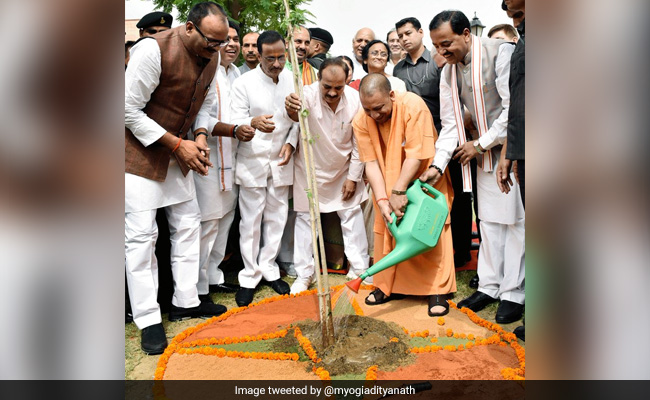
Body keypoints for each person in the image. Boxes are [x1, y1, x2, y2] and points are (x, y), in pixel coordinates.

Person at [125, 2, 231, 355]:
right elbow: (125, 109)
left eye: (220, 43)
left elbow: (205, 105)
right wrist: (176, 145)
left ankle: (186, 300)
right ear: (189, 28)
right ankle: (148, 318)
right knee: (142, 239)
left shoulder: (211, 55)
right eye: (211, 41)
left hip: (181, 150)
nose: (215, 49)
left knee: (188, 225)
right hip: (138, 156)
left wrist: (199, 137)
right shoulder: (150, 51)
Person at [423, 10, 524, 324]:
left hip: (511, 152)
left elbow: (514, 109)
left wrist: (480, 144)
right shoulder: (448, 72)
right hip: (481, 155)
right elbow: (451, 124)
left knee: (516, 223)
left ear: (466, 33)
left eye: (446, 43)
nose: (442, 52)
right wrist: (437, 166)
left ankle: (514, 292)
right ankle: (490, 285)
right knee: (490, 222)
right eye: (437, 46)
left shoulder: (501, 52)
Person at [353, 74, 456, 317]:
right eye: (368, 110)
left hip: (423, 180)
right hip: (388, 186)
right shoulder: (361, 120)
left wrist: (399, 191)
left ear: (391, 95)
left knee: (426, 229)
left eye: (379, 108)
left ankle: (436, 289)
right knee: (389, 228)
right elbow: (370, 164)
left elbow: (416, 155)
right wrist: (382, 200)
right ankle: (388, 285)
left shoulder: (413, 105)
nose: (374, 115)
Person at [393, 17, 474, 270]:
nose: (404, 39)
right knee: (422, 195)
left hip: (448, 138)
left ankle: (461, 251)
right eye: (400, 35)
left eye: (408, 33)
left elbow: (455, 105)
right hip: (416, 145)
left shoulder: (440, 61)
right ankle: (427, 249)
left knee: (459, 197)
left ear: (420, 33)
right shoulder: (398, 70)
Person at [284, 57, 369, 294]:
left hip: (344, 169)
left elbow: (358, 143)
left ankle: (360, 270)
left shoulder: (355, 100)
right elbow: (294, 118)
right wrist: (290, 108)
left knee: (351, 215)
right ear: (319, 79)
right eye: (327, 86)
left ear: (347, 82)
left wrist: (353, 177)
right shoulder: (306, 95)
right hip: (309, 168)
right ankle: (304, 274)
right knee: (305, 220)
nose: (332, 93)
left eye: (338, 87)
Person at [230, 30, 299, 307]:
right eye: (270, 58)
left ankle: (269, 268)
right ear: (258, 55)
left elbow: (299, 120)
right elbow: (234, 119)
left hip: (281, 159)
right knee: (250, 221)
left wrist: (291, 144)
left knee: (277, 216)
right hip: (253, 159)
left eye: (281, 57)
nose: (277, 64)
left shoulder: (292, 79)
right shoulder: (244, 82)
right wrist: (252, 121)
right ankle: (249, 275)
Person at [194, 19, 255, 299]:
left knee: (225, 220)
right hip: (208, 157)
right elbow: (201, 117)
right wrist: (232, 130)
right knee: (207, 222)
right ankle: (196, 285)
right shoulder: (206, 70)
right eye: (225, 39)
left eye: (235, 39)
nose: (231, 44)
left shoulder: (235, 76)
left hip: (232, 158)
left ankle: (214, 276)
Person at [498, 0, 526, 342]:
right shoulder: (524, 43)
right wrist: (512, 152)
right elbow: (519, 105)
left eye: (519, 13)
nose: (516, 20)